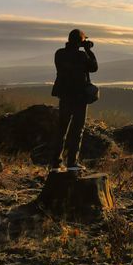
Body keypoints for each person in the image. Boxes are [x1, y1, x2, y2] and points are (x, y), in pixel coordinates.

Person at [48, 29, 98, 172]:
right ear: (80, 41)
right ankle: (72, 162)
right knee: (77, 129)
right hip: (79, 97)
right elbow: (94, 67)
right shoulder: (82, 55)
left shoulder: (59, 53)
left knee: (61, 128)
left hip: (64, 96)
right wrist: (89, 50)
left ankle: (56, 163)